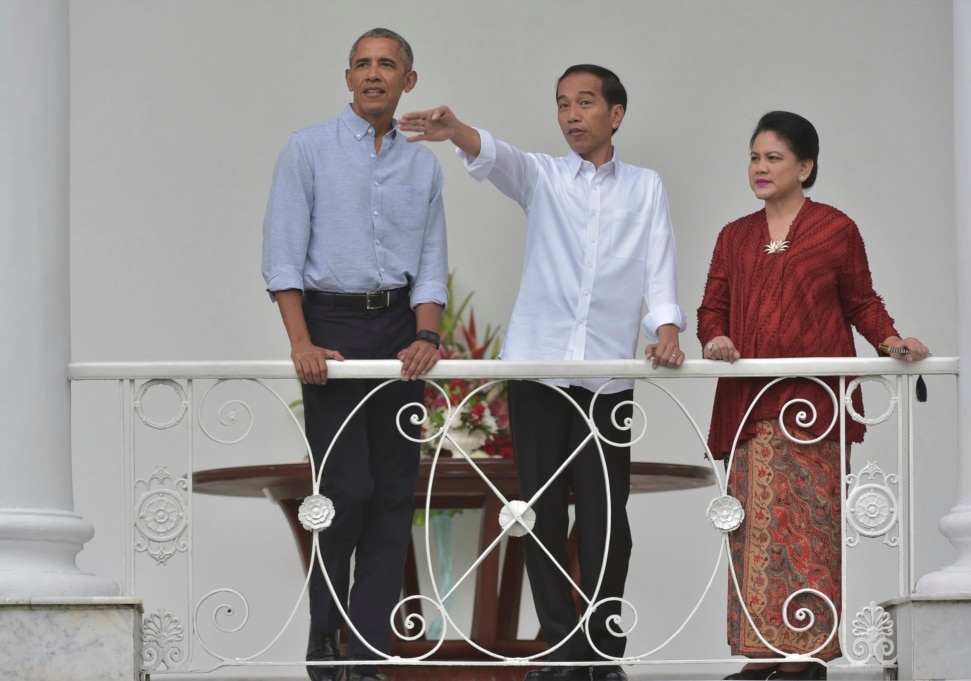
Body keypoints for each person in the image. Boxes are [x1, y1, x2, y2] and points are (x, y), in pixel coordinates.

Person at [398, 64, 686, 681]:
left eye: (585, 102)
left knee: (610, 520)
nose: (572, 115)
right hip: (538, 373)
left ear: (616, 114)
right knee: (540, 514)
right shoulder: (546, 176)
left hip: (608, 377)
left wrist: (665, 328)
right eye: (562, 104)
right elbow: (500, 158)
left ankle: (602, 654)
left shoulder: (646, 187)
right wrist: (456, 131)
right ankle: (560, 650)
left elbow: (659, 262)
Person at [696, 111, 929, 680]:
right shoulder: (734, 235)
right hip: (750, 409)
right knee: (751, 532)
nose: (760, 167)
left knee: (807, 532)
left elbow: (861, 303)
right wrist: (715, 338)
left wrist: (891, 340)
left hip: (812, 412)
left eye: (773, 158)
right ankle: (759, 654)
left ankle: (804, 656)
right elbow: (711, 310)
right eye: (754, 157)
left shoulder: (834, 229)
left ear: (805, 166)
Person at [261, 28, 448, 681]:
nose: (374, 75)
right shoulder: (306, 149)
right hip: (330, 327)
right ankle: (324, 640)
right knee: (343, 489)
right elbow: (282, 254)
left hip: (400, 332)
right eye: (363, 65)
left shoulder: (422, 165)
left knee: (395, 492)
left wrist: (426, 334)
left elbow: (430, 264)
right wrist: (300, 340)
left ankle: (368, 655)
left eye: (387, 65)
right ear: (348, 79)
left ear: (407, 82)